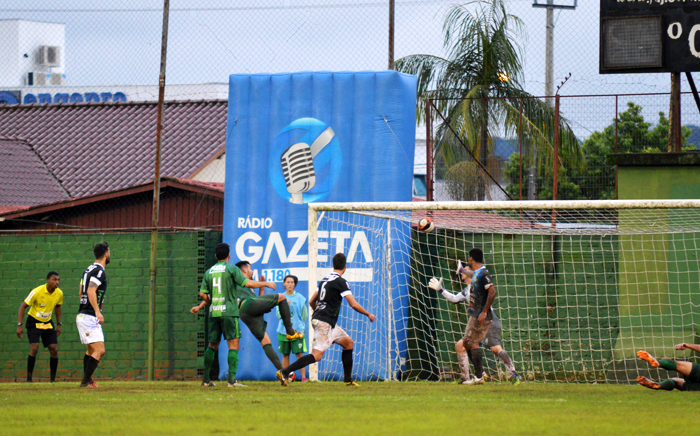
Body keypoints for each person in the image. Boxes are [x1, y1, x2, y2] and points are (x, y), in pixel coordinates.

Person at [276, 253, 375, 387]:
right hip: (325, 322)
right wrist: (368, 314)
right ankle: (285, 372)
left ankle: (347, 380)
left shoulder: (325, 280)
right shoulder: (341, 281)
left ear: (333, 265)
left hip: (326, 321)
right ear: (345, 267)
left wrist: (318, 312)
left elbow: (312, 301)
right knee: (316, 356)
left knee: (348, 343)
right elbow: (353, 304)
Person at [191, 243, 279, 387]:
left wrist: (206, 304)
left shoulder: (209, 272)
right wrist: (266, 284)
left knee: (212, 345)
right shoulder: (231, 269)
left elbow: (203, 294)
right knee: (234, 344)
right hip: (229, 312)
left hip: (214, 312)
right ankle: (232, 381)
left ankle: (205, 380)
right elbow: (247, 283)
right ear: (229, 255)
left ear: (215, 256)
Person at [429, 261, 521, 385]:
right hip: (477, 322)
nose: (462, 274)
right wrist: (440, 290)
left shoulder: (480, 285)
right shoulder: (467, 290)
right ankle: (467, 377)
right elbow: (454, 299)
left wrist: (463, 270)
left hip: (488, 320)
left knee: (495, 349)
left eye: (466, 271)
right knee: (461, 345)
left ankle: (514, 374)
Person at [235, 260, 304, 383]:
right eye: (250, 268)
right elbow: (251, 295)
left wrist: (261, 289)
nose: (252, 271)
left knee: (266, 342)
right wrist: (265, 283)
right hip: (247, 306)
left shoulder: (248, 286)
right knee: (282, 297)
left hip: (246, 313)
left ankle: (283, 373)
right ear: (244, 270)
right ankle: (290, 331)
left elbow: (255, 301)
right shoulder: (240, 278)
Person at [16, 271, 63, 383]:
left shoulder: (59, 293)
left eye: (58, 280)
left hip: (47, 322)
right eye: (54, 279)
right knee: (35, 347)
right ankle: (29, 379)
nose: (56, 282)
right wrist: (19, 325)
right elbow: (23, 307)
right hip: (34, 322)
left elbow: (58, 307)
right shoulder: (37, 292)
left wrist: (59, 324)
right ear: (48, 280)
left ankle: (52, 380)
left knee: (54, 349)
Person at [76, 242, 110, 388]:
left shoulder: (88, 269)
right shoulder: (99, 271)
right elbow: (90, 291)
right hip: (89, 315)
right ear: (106, 253)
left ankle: (88, 381)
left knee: (91, 351)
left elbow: (80, 292)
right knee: (100, 350)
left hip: (83, 315)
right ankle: (85, 381)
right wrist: (96, 311)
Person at [275, 274, 308, 382]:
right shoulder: (280, 297)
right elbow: (278, 315)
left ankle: (303, 377)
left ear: (295, 284)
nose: (290, 284)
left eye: (292, 282)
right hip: (284, 331)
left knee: (299, 355)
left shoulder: (300, 298)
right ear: (284, 283)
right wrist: (285, 307)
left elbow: (304, 316)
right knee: (285, 355)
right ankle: (284, 376)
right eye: (288, 282)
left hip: (297, 330)